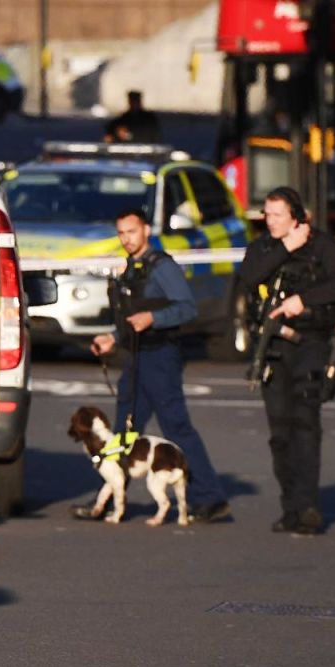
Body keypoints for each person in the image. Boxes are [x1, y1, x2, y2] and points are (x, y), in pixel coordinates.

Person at [79, 208, 230, 523]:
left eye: (131, 232)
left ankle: (210, 498)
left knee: (176, 427)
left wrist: (154, 319)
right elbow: (132, 320)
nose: (126, 239)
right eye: (121, 233)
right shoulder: (131, 269)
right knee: (123, 432)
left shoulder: (161, 267)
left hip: (161, 357)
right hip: (136, 357)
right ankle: (107, 500)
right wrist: (112, 338)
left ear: (146, 230)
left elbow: (187, 309)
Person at [237, 187, 335, 534]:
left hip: (310, 341)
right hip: (273, 346)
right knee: (280, 431)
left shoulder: (320, 245)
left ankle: (307, 506)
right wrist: (286, 248)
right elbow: (249, 277)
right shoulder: (264, 247)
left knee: (305, 421)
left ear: (296, 217)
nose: (270, 221)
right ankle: (290, 506)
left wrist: (303, 300)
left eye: (277, 215)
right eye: (267, 215)